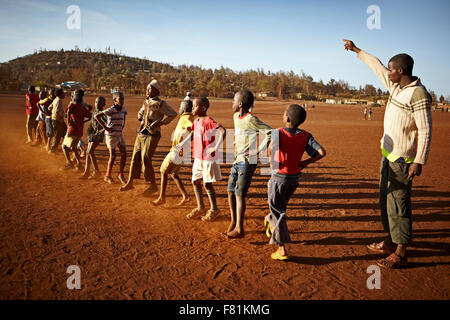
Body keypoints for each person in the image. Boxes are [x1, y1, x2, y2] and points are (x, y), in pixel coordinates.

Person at [343, 39, 432, 269]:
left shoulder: (418, 94)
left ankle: (401, 251)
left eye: (392, 70)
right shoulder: (396, 86)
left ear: (401, 71)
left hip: (404, 160)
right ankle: (391, 241)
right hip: (388, 155)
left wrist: (419, 160)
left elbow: (425, 130)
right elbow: (377, 66)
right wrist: (357, 50)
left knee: (399, 204)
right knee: (385, 201)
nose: (387, 73)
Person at [265, 104, 326, 260]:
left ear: (287, 118)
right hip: (294, 179)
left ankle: (281, 249)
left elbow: (271, 147)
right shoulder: (306, 135)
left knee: (278, 211)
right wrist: (305, 163)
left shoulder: (278, 132)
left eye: (284, 113)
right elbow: (321, 152)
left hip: (279, 177)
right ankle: (270, 221)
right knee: (279, 206)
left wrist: (272, 161)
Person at [225, 90, 272, 239]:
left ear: (240, 104)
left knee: (239, 194)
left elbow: (270, 132)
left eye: (233, 101)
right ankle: (234, 222)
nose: (231, 103)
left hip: (247, 163)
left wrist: (258, 151)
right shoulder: (235, 117)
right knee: (230, 191)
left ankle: (240, 228)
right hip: (237, 160)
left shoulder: (251, 119)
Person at [119, 80, 177, 194]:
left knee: (146, 157)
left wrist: (161, 123)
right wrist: (141, 121)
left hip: (153, 134)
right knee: (135, 156)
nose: (147, 91)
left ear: (156, 90)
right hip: (142, 132)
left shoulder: (161, 103)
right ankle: (130, 181)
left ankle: (153, 184)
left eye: (149, 89)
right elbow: (140, 113)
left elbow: (173, 114)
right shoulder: (146, 101)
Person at [185, 97, 226, 221]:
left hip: (208, 157)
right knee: (195, 181)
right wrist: (182, 144)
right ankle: (201, 208)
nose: (192, 108)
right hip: (198, 157)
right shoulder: (196, 121)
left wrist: (216, 148)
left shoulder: (208, 120)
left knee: (207, 184)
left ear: (203, 108)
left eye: (194, 106)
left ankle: (214, 209)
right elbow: (192, 134)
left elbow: (223, 131)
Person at [152, 100, 195, 206]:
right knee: (173, 173)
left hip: (177, 150)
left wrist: (183, 142)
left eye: (180, 106)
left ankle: (162, 197)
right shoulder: (186, 117)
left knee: (163, 171)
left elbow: (194, 130)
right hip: (182, 152)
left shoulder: (186, 117)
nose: (179, 108)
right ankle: (185, 196)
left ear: (184, 108)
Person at [95, 92, 127, 184]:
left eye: (123, 99)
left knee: (124, 154)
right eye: (120, 99)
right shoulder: (111, 109)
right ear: (114, 100)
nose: (122, 101)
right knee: (113, 156)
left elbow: (124, 116)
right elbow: (97, 116)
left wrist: (121, 127)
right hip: (111, 136)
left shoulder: (123, 109)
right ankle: (107, 176)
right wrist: (106, 128)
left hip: (119, 134)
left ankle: (120, 174)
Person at [60, 89, 91, 171]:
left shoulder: (72, 105)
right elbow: (90, 116)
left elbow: (68, 112)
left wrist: (69, 122)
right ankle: (79, 165)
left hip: (72, 130)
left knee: (64, 147)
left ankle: (69, 163)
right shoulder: (83, 107)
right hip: (79, 130)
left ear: (74, 97)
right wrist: (82, 121)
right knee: (73, 148)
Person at [80, 96, 106, 179]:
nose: (97, 104)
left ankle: (96, 171)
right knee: (88, 152)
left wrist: (102, 131)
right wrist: (89, 134)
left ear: (103, 104)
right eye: (96, 102)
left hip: (98, 135)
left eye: (99, 102)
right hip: (92, 134)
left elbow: (107, 124)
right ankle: (86, 171)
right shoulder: (95, 112)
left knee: (90, 152)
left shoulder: (103, 113)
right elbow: (91, 123)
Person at [48, 88, 66, 153]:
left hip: (57, 120)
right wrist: (61, 116)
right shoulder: (59, 100)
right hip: (58, 121)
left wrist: (53, 114)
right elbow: (57, 111)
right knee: (57, 136)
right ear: (60, 94)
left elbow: (49, 107)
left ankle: (68, 147)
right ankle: (51, 150)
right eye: (63, 93)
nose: (64, 94)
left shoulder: (55, 99)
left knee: (65, 133)